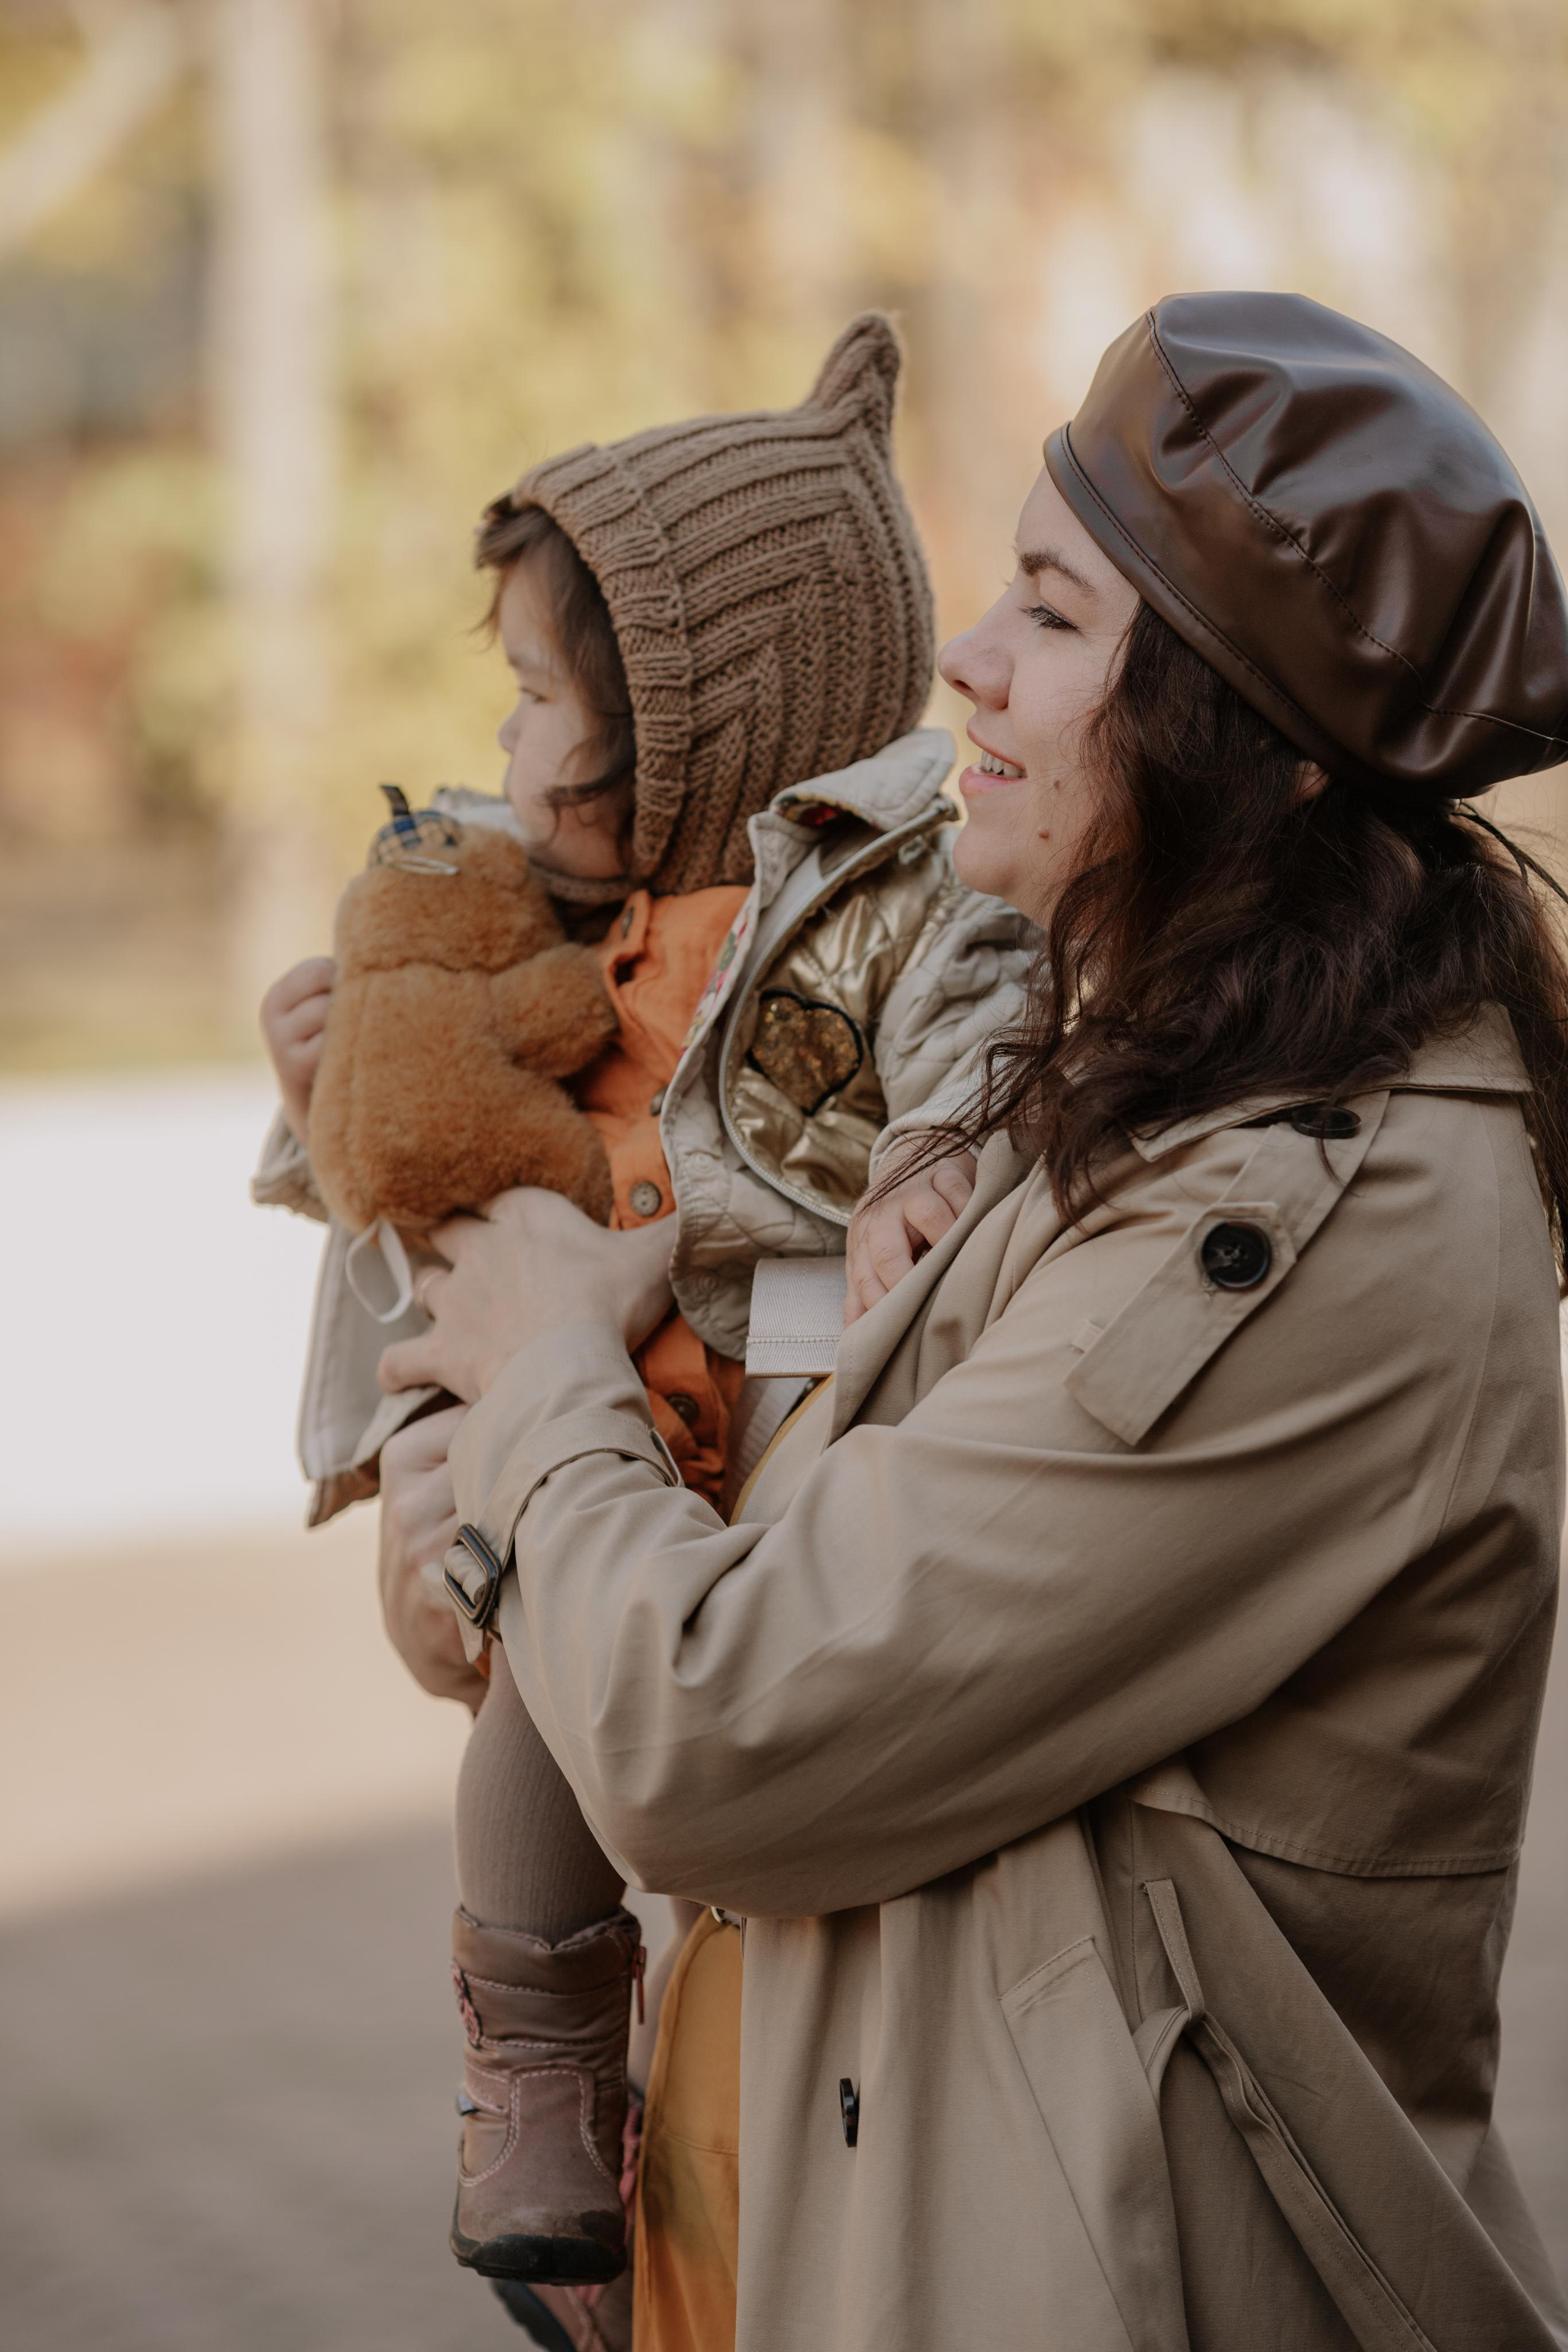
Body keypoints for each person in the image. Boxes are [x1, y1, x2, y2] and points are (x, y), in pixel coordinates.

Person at [375, 290, 1568, 2352]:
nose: (968, 661)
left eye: (1053, 612)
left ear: (1247, 743)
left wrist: (552, 1368)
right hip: (845, 2218)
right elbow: (762, 1592)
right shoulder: (1124, 1083)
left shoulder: (1301, 1221)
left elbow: (722, 1725)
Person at [253, 316, 1029, 2293]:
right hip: (581, 1440)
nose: (508, 752)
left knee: (676, 1770)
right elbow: (432, 1164)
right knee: (541, 1702)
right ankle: (537, 2073)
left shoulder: (898, 895)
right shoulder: (526, 910)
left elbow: (992, 1012)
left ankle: (630, 2162)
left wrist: (943, 1142)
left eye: (541, 701)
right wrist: (320, 1096)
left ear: (699, 726)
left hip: (765, 1444)